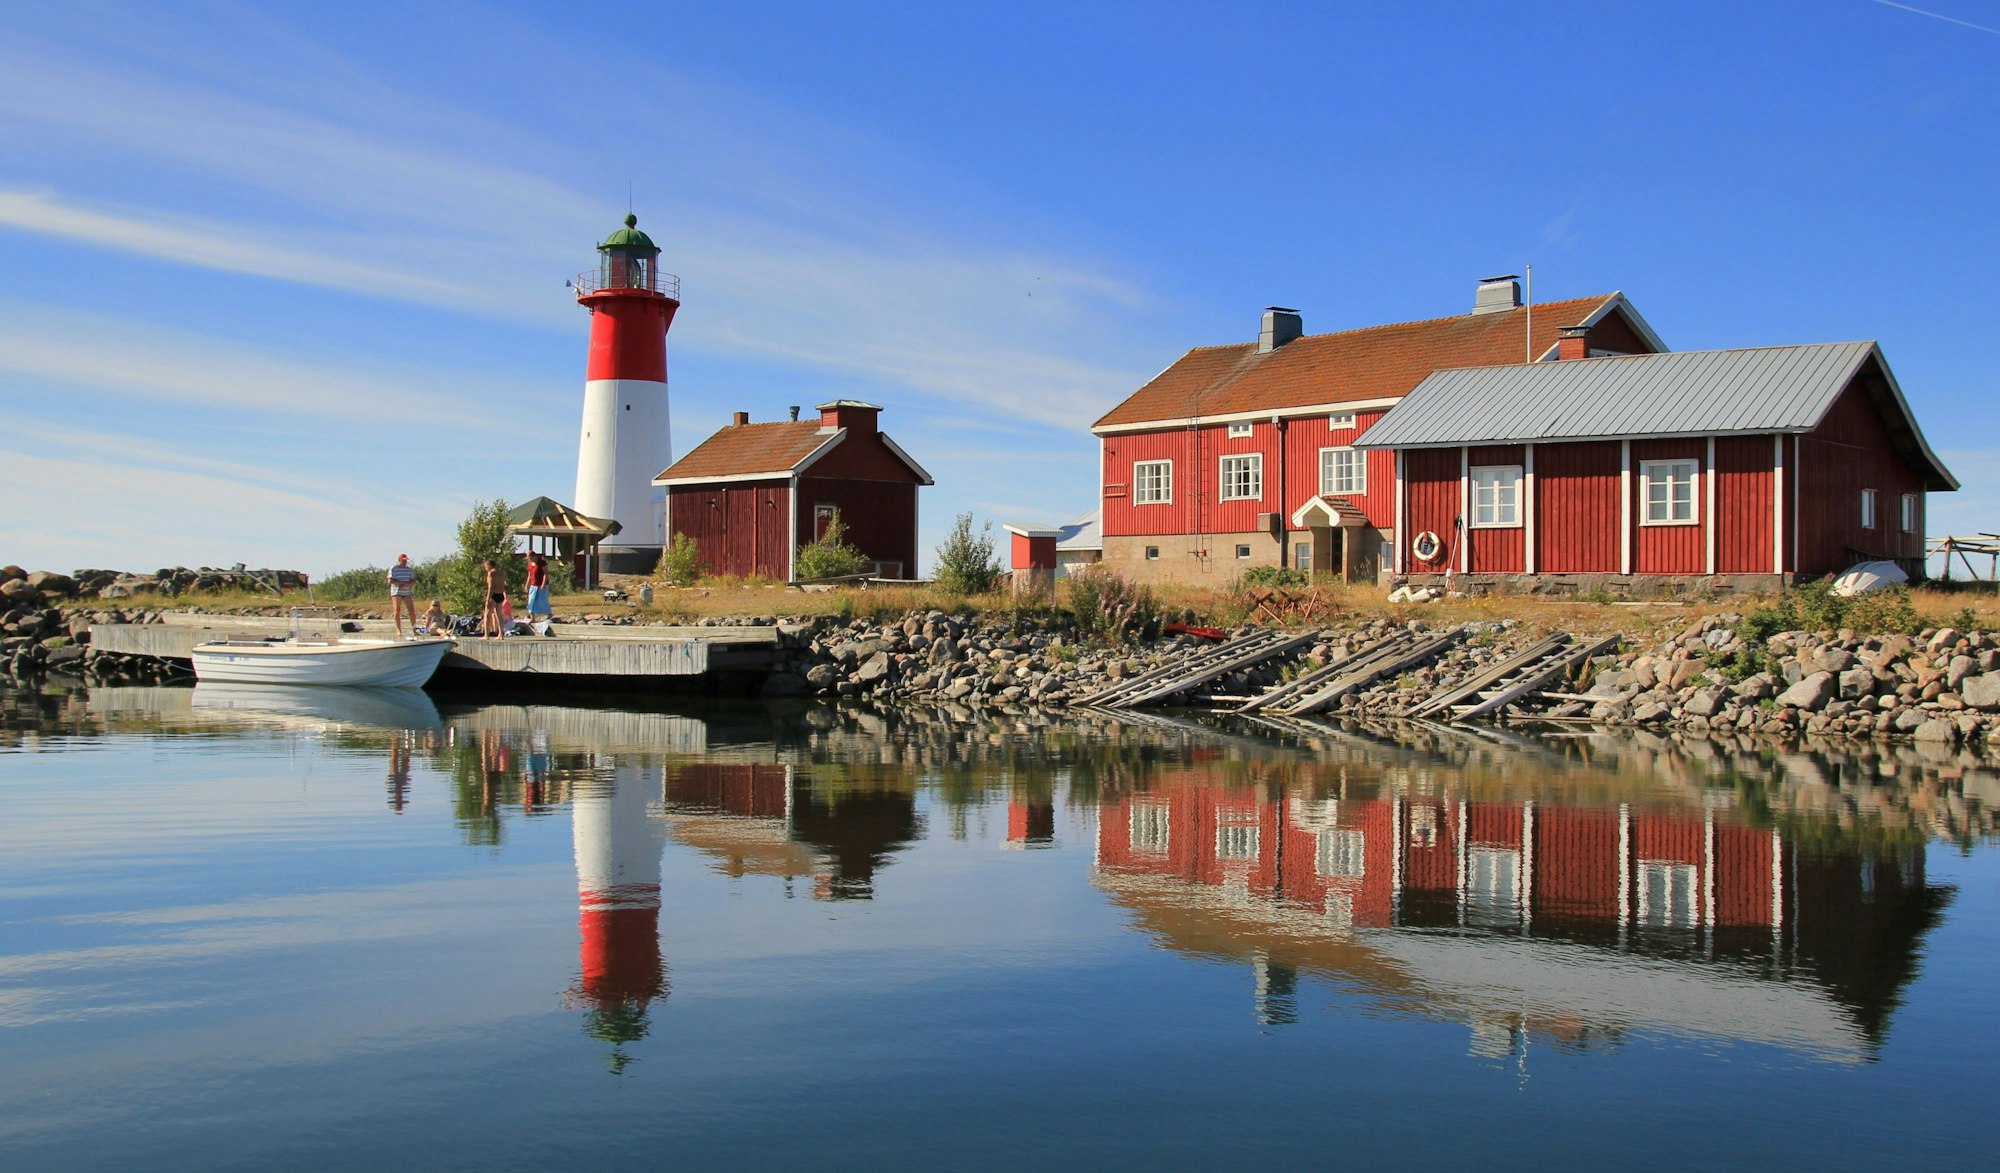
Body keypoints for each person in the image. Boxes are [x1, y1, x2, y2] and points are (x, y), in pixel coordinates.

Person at [386, 554, 418, 636]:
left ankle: (414, 629)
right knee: (397, 610)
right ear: (399, 560)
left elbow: (413, 580)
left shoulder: (408, 570)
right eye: (403, 560)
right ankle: (398, 630)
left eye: (406, 560)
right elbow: (390, 581)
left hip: (406, 591)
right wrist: (400, 583)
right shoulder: (394, 568)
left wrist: (408, 584)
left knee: (411, 610)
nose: (405, 562)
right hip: (396, 591)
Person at [482, 558, 506, 640]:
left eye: (486, 567)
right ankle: (501, 634)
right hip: (500, 594)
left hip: (494, 595)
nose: (485, 568)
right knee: (499, 615)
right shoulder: (501, 573)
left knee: (487, 615)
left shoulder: (491, 573)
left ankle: (486, 635)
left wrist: (487, 599)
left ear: (489, 566)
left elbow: (490, 587)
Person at [525, 553, 551, 620]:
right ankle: (532, 617)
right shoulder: (530, 564)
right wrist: (527, 585)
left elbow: (545, 574)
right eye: (528, 558)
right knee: (531, 601)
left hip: (542, 585)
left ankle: (548, 613)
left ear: (534, 556)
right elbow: (529, 575)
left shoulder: (542, 563)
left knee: (542, 600)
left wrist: (543, 583)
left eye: (530, 558)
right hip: (533, 585)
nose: (530, 560)